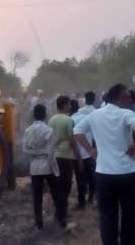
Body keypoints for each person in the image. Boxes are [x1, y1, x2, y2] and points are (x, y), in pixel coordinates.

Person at [74, 84, 135, 245]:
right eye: (127, 96)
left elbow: (77, 131)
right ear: (116, 98)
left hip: (104, 174)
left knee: (107, 216)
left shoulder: (95, 115)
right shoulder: (126, 114)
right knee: (129, 214)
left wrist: (90, 149)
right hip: (128, 173)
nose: (130, 99)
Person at [22, 104, 60, 231]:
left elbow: (25, 150)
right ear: (45, 115)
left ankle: (39, 225)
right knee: (56, 194)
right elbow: (50, 153)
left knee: (37, 198)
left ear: (34, 115)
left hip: (34, 167)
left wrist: (35, 154)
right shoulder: (48, 130)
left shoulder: (28, 130)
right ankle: (60, 219)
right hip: (47, 166)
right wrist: (55, 168)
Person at [48, 96, 80, 229]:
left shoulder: (51, 120)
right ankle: (62, 218)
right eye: (68, 104)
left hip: (55, 156)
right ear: (65, 105)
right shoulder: (68, 120)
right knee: (65, 187)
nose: (70, 106)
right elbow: (72, 140)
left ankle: (59, 213)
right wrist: (78, 156)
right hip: (66, 157)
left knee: (58, 187)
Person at [70, 99, 95, 209]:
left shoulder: (70, 120)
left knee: (80, 179)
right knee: (91, 177)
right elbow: (94, 136)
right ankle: (91, 198)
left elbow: (70, 139)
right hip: (89, 153)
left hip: (77, 155)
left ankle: (81, 203)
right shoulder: (87, 118)